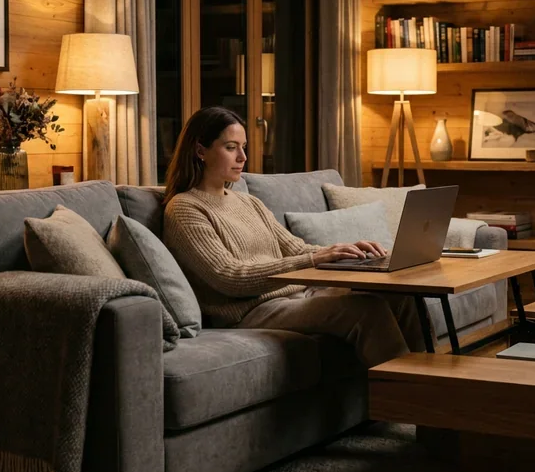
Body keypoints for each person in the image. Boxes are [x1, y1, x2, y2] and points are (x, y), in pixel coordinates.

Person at [162, 106, 427, 367]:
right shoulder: (185, 208)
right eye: (231, 147)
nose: (243, 157)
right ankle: (405, 405)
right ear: (200, 151)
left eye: (243, 147)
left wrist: (343, 250)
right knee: (367, 311)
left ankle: (434, 391)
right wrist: (313, 259)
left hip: (297, 295)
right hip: (251, 311)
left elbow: (296, 248)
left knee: (402, 296)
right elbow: (230, 277)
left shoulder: (247, 202)